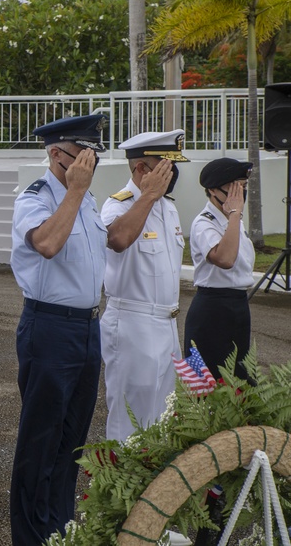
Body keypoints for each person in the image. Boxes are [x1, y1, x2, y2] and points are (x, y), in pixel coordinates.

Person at [9, 114, 108, 545]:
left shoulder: (83, 198)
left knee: (72, 442)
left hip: (87, 329)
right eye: (81, 156)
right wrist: (76, 190)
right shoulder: (37, 197)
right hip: (49, 327)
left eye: (93, 157)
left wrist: (80, 191)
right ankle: (31, 537)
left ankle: (60, 529)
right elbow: (47, 244)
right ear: (56, 153)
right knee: (41, 441)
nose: (89, 165)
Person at [100, 130, 188, 443]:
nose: (173, 173)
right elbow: (118, 239)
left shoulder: (168, 207)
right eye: (165, 166)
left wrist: (155, 198)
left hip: (167, 324)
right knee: (132, 420)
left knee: (163, 420)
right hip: (133, 324)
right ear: (142, 170)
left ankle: (154, 492)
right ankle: (119, 489)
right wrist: (148, 197)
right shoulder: (119, 205)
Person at [185, 157, 255, 381]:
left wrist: (234, 216)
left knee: (240, 380)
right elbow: (225, 259)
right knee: (210, 383)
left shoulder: (235, 221)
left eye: (242, 188)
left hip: (237, 306)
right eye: (233, 189)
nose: (239, 196)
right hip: (213, 309)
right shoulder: (204, 222)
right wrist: (235, 214)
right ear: (213, 190)